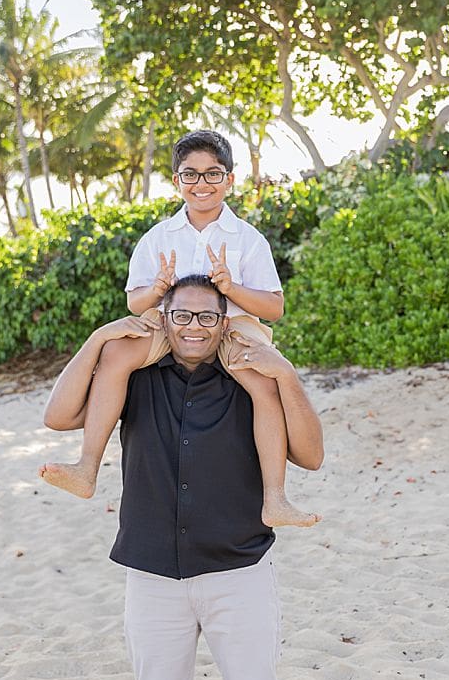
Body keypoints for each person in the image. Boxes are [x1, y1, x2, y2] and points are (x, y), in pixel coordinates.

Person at [41, 275, 324, 680]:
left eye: (207, 317)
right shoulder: (133, 378)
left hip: (239, 570)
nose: (195, 327)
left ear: (224, 323)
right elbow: (59, 416)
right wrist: (97, 338)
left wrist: (287, 376)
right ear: (163, 319)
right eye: (182, 315)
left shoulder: (250, 376)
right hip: (152, 573)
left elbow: (312, 455)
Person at [39, 129, 319, 528]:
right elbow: (134, 302)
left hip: (232, 322)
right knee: (116, 353)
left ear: (229, 180)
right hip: (169, 319)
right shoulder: (158, 237)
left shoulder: (247, 238)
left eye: (212, 174)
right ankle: (87, 468)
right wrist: (155, 290)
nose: (201, 183)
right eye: (191, 174)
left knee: (263, 381)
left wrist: (230, 287)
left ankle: (275, 498)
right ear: (176, 181)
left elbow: (274, 307)